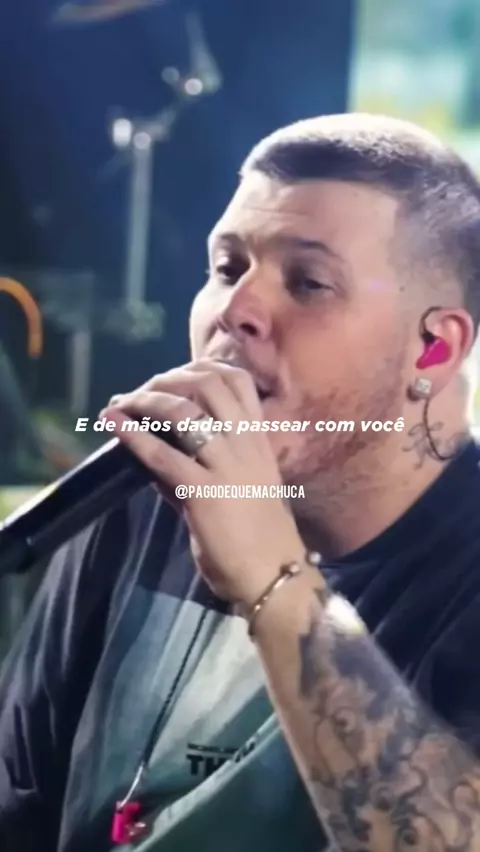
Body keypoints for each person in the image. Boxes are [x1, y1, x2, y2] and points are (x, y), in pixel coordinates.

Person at [2, 112, 480, 852]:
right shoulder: (132, 508)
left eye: (309, 282)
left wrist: (273, 582)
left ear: (433, 350)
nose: (236, 310)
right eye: (227, 269)